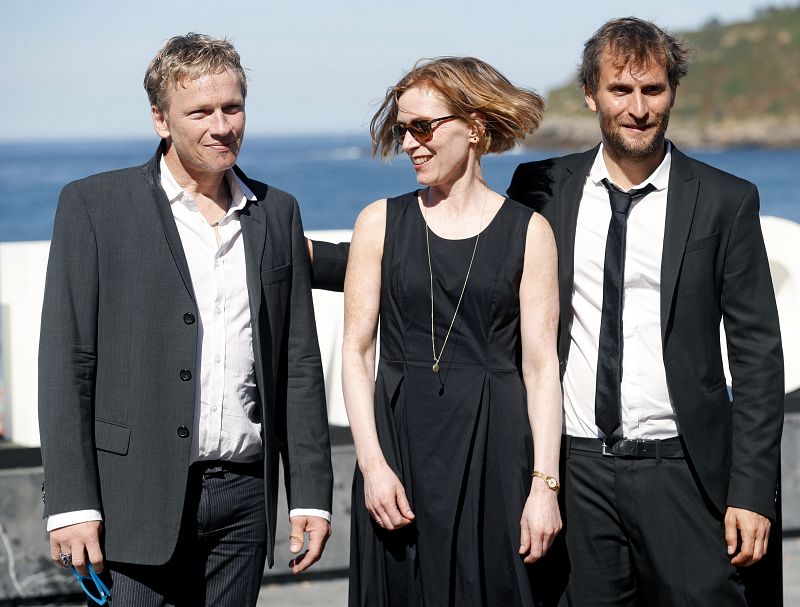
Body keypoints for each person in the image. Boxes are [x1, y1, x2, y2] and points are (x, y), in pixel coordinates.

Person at [38, 33, 333, 606]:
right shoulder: (93, 206)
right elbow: (65, 362)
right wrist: (72, 505)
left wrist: (310, 496)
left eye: (232, 107)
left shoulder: (278, 212)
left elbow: (298, 362)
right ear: (161, 120)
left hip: (245, 503)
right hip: (131, 500)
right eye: (200, 111)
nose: (221, 126)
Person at [507, 17, 784, 605]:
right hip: (575, 473)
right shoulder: (541, 186)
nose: (638, 108)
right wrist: (322, 262)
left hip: (684, 472)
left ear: (672, 92)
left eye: (653, 89)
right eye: (620, 90)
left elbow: (758, 355)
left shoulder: (726, 201)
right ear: (590, 94)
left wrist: (754, 490)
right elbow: (470, 260)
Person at [342, 57, 562, 607]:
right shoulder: (377, 222)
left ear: (476, 128)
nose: (411, 144)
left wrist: (545, 486)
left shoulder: (530, 232)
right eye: (403, 129)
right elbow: (355, 350)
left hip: (496, 450)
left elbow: (540, 369)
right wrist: (371, 465)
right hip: (398, 450)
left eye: (423, 127)